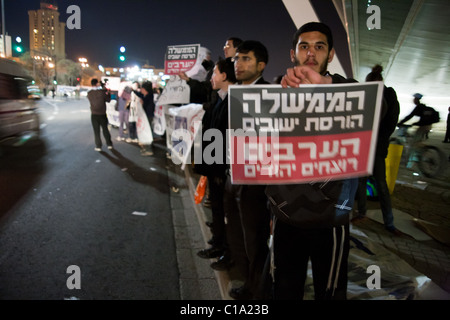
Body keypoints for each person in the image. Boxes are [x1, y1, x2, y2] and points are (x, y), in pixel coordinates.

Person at [274, 22, 360, 300]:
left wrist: (326, 85)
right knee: (285, 288)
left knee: (330, 292)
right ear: (292, 53)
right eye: (304, 46)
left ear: (331, 54)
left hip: (330, 218)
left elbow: (385, 105)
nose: (311, 53)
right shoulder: (274, 92)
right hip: (285, 214)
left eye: (319, 46)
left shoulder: (349, 90)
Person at [223, 40, 271, 300]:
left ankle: (258, 291)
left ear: (261, 65)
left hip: (255, 181)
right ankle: (247, 280)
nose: (238, 64)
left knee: (255, 239)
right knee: (237, 234)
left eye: (245, 59)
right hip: (232, 173)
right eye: (236, 59)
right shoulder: (235, 92)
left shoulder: (270, 95)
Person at [195, 57, 237, 272]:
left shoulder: (233, 101)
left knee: (226, 211)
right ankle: (218, 243)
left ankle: (227, 251)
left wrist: (218, 169)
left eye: (215, 73)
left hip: (223, 168)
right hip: (214, 166)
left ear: (224, 76)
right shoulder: (221, 98)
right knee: (218, 209)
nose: (212, 77)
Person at [353, 65, 402, 235]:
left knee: (381, 185)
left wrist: (375, 138)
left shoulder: (388, 95)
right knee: (361, 182)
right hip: (364, 146)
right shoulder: (366, 96)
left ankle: (389, 222)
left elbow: (390, 123)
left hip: (377, 148)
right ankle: (361, 213)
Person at [87, 78, 113, 151]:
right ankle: (109, 144)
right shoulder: (102, 92)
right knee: (105, 129)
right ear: (97, 84)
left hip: (94, 114)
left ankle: (98, 146)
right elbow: (108, 100)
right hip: (102, 114)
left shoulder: (89, 93)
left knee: (96, 131)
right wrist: (107, 91)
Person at [133, 80, 155, 156]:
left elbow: (148, 107)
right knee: (145, 131)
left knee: (147, 132)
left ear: (145, 89)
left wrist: (143, 103)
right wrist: (133, 90)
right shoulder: (145, 95)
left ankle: (149, 149)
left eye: (141, 88)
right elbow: (139, 94)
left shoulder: (149, 97)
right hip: (145, 117)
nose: (140, 90)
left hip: (148, 117)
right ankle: (147, 147)